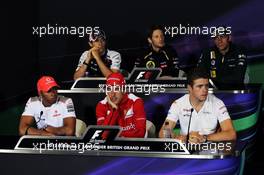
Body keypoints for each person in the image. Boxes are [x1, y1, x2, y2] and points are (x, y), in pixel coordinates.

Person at [159, 68, 236, 143]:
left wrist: (204, 138)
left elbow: (231, 134)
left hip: (209, 148)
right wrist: (176, 138)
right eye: (200, 86)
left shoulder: (217, 103)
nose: (204, 90)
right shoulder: (178, 104)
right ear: (189, 88)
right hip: (186, 149)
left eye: (206, 86)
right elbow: (163, 133)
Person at [96, 73, 146, 138]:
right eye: (109, 89)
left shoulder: (136, 101)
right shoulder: (101, 105)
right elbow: (102, 135)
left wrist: (117, 136)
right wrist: (114, 109)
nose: (112, 94)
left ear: (123, 90)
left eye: (116, 89)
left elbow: (141, 133)